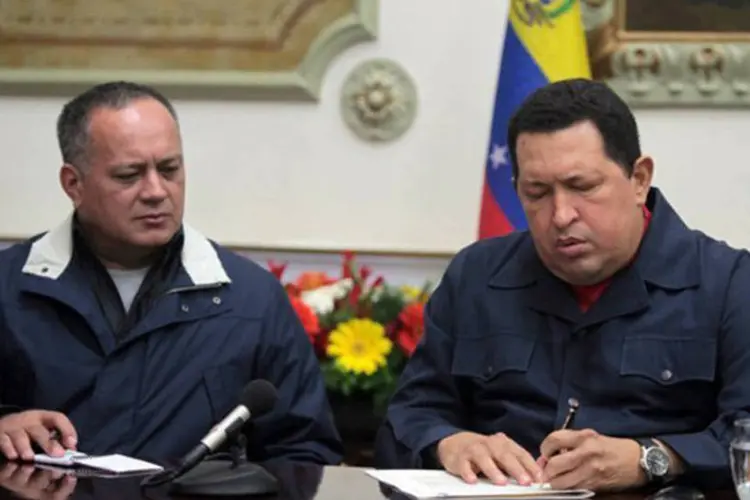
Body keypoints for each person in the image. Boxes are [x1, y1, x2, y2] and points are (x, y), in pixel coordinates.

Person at [374, 78, 750, 492]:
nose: (560, 215)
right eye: (537, 193)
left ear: (639, 179)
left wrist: (652, 457)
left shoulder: (730, 284)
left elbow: (746, 437)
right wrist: (449, 443)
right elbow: (409, 417)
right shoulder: (476, 276)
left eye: (582, 187)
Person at [0, 81, 343, 465]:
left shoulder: (251, 300)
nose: (156, 191)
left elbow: (304, 452)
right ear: (73, 184)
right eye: (129, 175)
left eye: (169, 169)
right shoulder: (8, 288)